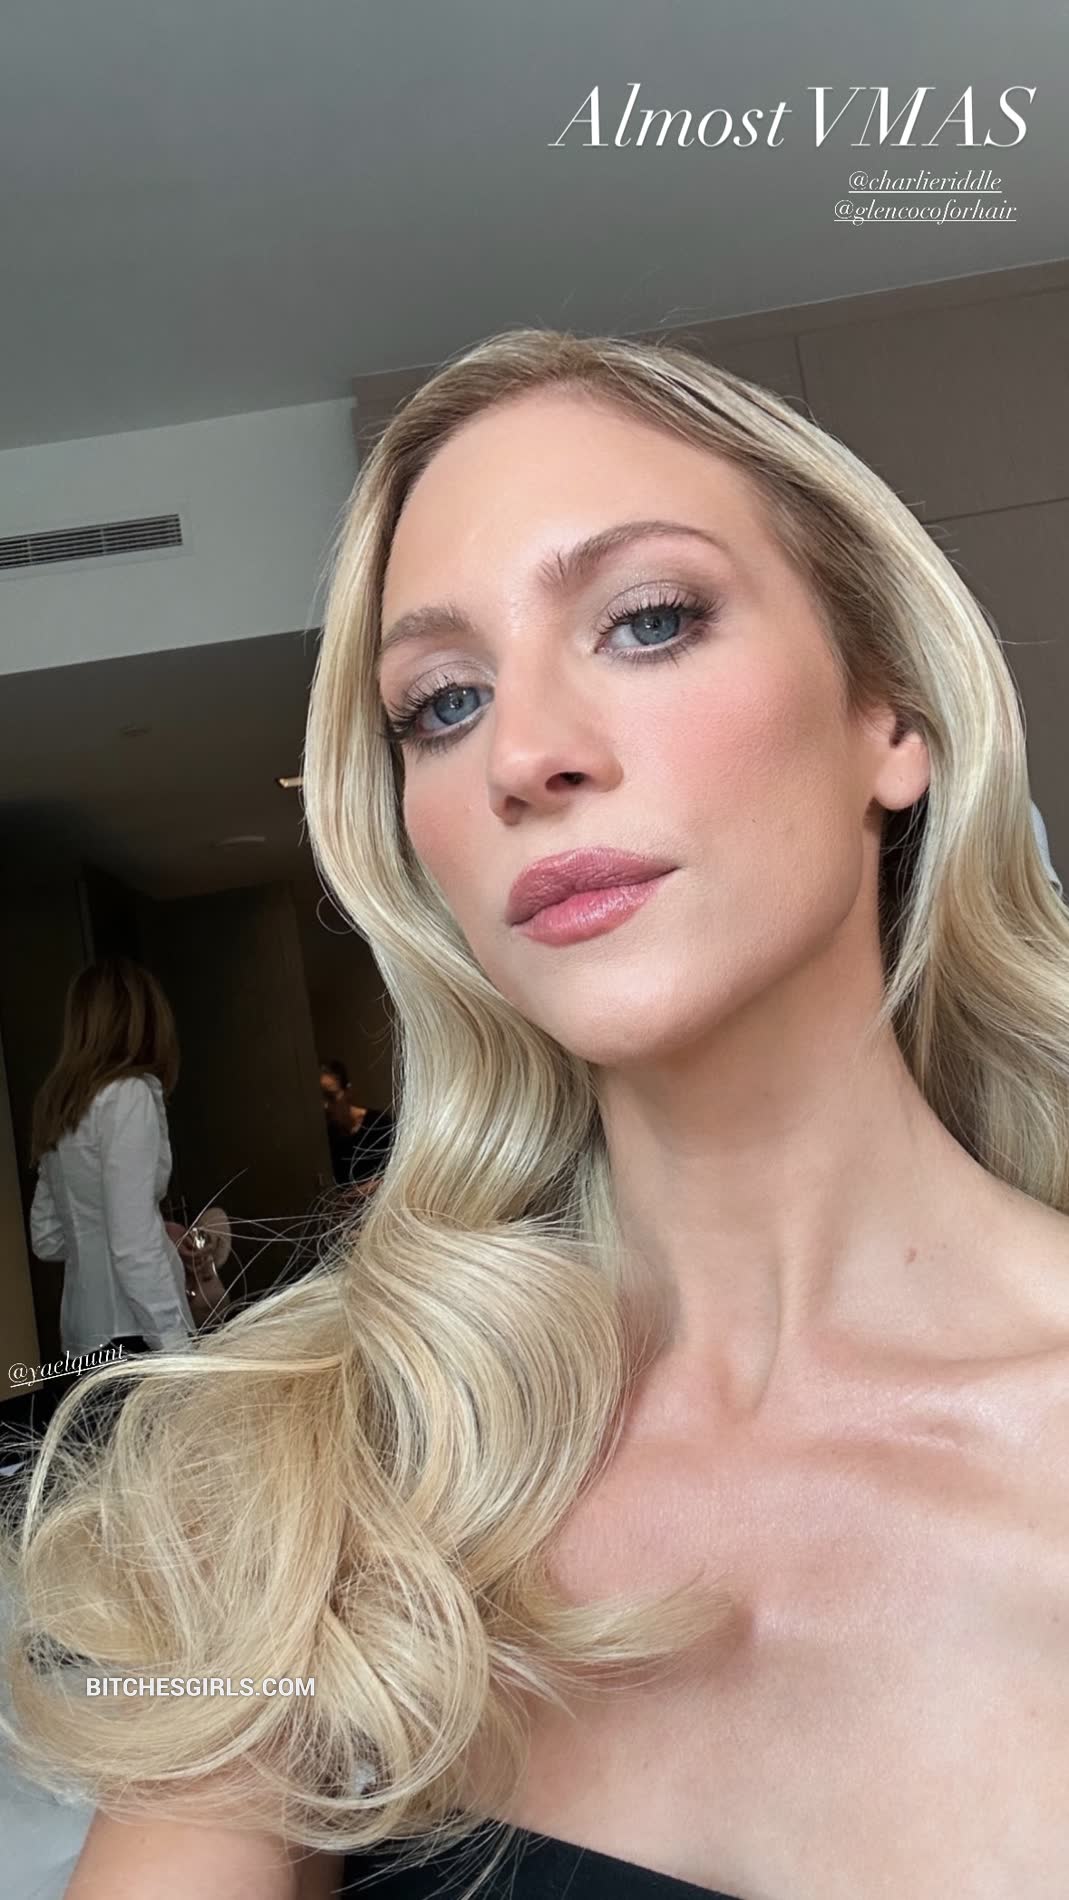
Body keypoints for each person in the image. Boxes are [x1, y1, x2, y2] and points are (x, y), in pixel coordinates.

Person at [4, 328, 1069, 1900]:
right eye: (442, 703)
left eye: (648, 620)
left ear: (888, 719)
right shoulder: (314, 1476)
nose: (521, 756)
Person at [319, 1058, 395, 1194]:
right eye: (320, 1098)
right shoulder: (328, 1137)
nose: (325, 1106)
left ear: (347, 1092)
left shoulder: (379, 1123)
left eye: (331, 1097)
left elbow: (396, 1171)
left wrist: (354, 1195)